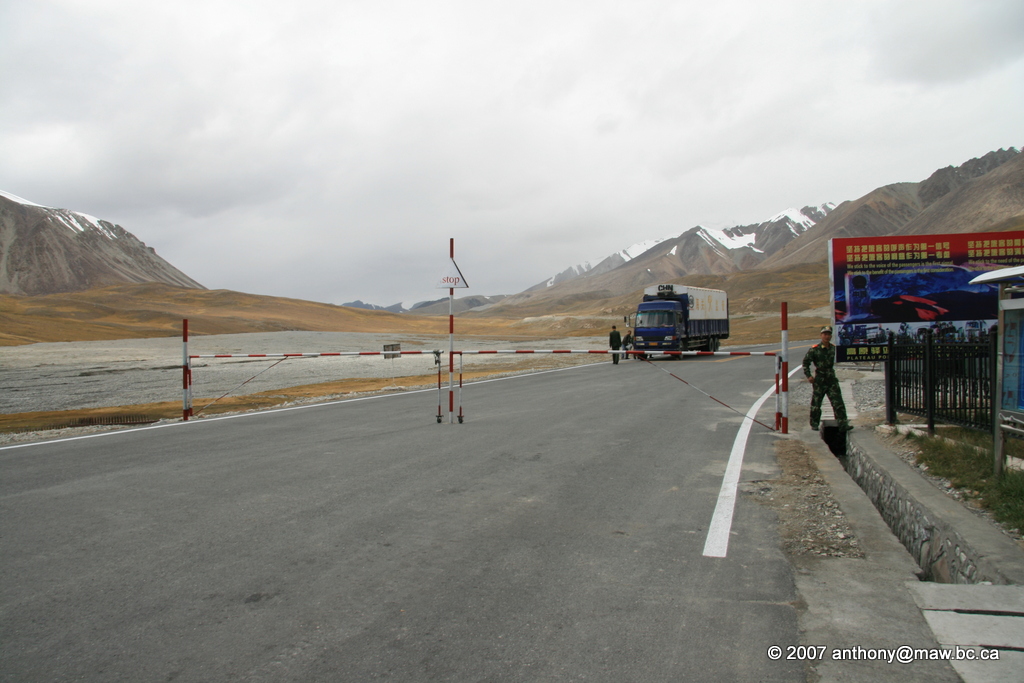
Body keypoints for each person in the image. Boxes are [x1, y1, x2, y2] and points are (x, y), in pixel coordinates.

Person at [803, 326, 851, 432]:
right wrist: (809, 376)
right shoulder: (815, 349)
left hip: (831, 379)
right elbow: (806, 362)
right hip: (820, 379)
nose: (827, 336)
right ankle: (814, 424)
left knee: (838, 402)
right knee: (816, 403)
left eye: (829, 334)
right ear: (821, 335)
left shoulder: (833, 348)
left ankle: (843, 424)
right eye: (825, 334)